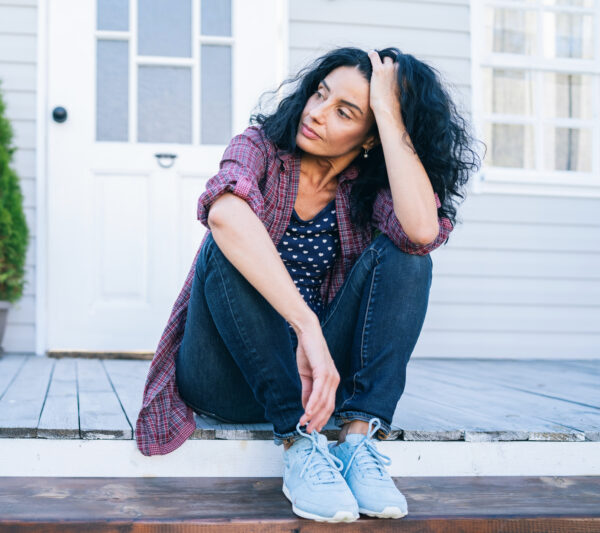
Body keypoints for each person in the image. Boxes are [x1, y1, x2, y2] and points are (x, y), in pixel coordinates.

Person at [136, 46, 482, 523]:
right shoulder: (259, 148)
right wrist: (307, 328)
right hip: (223, 375)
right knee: (226, 238)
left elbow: (422, 231)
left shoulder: (367, 189)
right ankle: (299, 446)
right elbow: (224, 210)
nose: (317, 113)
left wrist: (388, 112)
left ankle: (358, 444)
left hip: (315, 387)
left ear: (371, 137)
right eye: (320, 93)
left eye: (345, 112)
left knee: (409, 256)